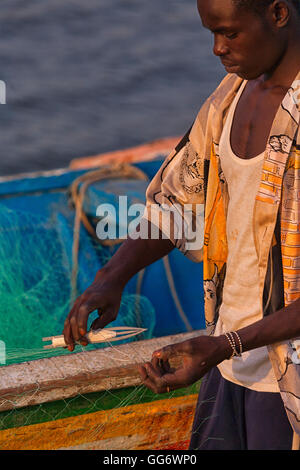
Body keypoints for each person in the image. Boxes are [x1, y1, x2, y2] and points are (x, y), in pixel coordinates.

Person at [63, 0, 300, 450]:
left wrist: (227, 345)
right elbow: (177, 204)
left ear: (278, 14)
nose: (217, 49)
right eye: (211, 33)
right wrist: (110, 277)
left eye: (230, 33)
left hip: (285, 383)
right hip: (227, 365)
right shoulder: (228, 99)